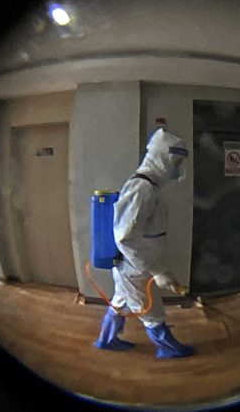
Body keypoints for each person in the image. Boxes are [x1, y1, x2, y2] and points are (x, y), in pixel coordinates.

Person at [93, 128, 195, 359]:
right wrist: (158, 271)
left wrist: (160, 269)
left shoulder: (150, 187)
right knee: (151, 312)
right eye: (175, 160)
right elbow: (125, 236)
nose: (177, 166)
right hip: (135, 269)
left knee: (120, 302)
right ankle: (169, 350)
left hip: (136, 267)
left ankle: (106, 340)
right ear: (161, 157)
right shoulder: (142, 188)